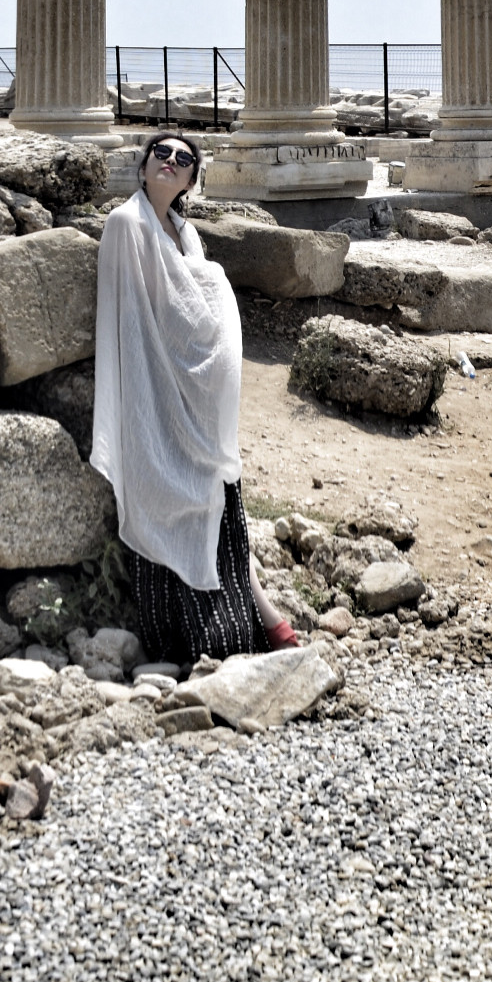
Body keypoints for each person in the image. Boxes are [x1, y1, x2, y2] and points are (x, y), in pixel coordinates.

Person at [91, 130, 300, 668]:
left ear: (189, 181)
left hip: (200, 399)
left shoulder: (187, 236)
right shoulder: (125, 225)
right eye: (161, 153)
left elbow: (200, 307)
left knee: (221, 504)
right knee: (170, 497)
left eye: (183, 159)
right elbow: (133, 316)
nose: (171, 161)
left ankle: (257, 616)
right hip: (155, 392)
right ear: (143, 168)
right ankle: (202, 635)